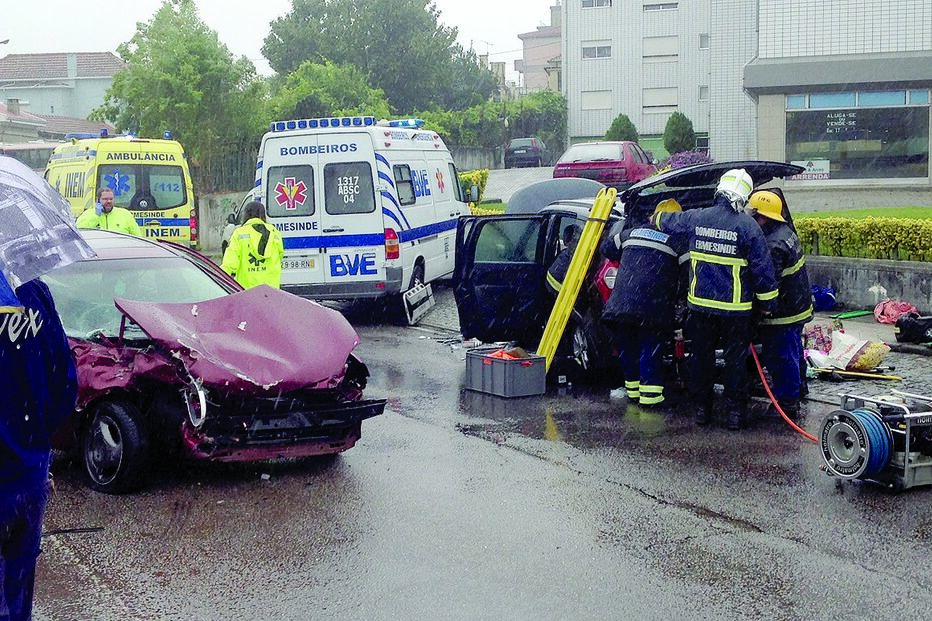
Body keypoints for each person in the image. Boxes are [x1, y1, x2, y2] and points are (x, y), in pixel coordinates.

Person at [651, 169, 778, 430]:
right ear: (744, 197)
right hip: (735, 311)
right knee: (735, 363)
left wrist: (655, 217)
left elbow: (670, 221)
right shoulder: (748, 227)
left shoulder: (698, 217)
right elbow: (762, 271)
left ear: (719, 189)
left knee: (702, 360)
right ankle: (735, 416)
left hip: (700, 308)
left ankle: (702, 411)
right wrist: (768, 305)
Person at [1, 279, 78, 621]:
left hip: (24, 472)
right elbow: (64, 384)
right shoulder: (33, 292)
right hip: (28, 477)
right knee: (17, 598)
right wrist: (33, 439)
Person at [600, 199, 689, 408]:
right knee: (650, 349)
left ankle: (633, 393)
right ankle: (650, 400)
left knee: (628, 349)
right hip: (652, 308)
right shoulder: (678, 243)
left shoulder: (631, 233)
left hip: (621, 305)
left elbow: (607, 248)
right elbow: (688, 277)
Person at [746, 189, 813, 419]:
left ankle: (786, 403)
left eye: (753, 215)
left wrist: (759, 309)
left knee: (781, 357)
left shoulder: (772, 245)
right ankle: (799, 388)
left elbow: (768, 284)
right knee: (794, 350)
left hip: (783, 312)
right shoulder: (785, 232)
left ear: (762, 217)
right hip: (797, 306)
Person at [221, 201, 284, 289]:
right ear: (263, 215)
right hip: (271, 290)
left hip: (247, 290)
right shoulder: (274, 233)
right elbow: (280, 255)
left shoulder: (239, 234)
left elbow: (230, 263)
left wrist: (219, 278)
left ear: (246, 215)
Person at [75, 187, 142, 236]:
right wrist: (96, 216)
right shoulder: (88, 214)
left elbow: (137, 236)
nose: (109, 201)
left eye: (111, 199)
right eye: (105, 199)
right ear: (97, 200)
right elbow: (79, 232)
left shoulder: (125, 214)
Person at [545, 223, 583, 297]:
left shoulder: (563, 255)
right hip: (561, 296)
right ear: (570, 242)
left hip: (551, 291)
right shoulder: (572, 260)